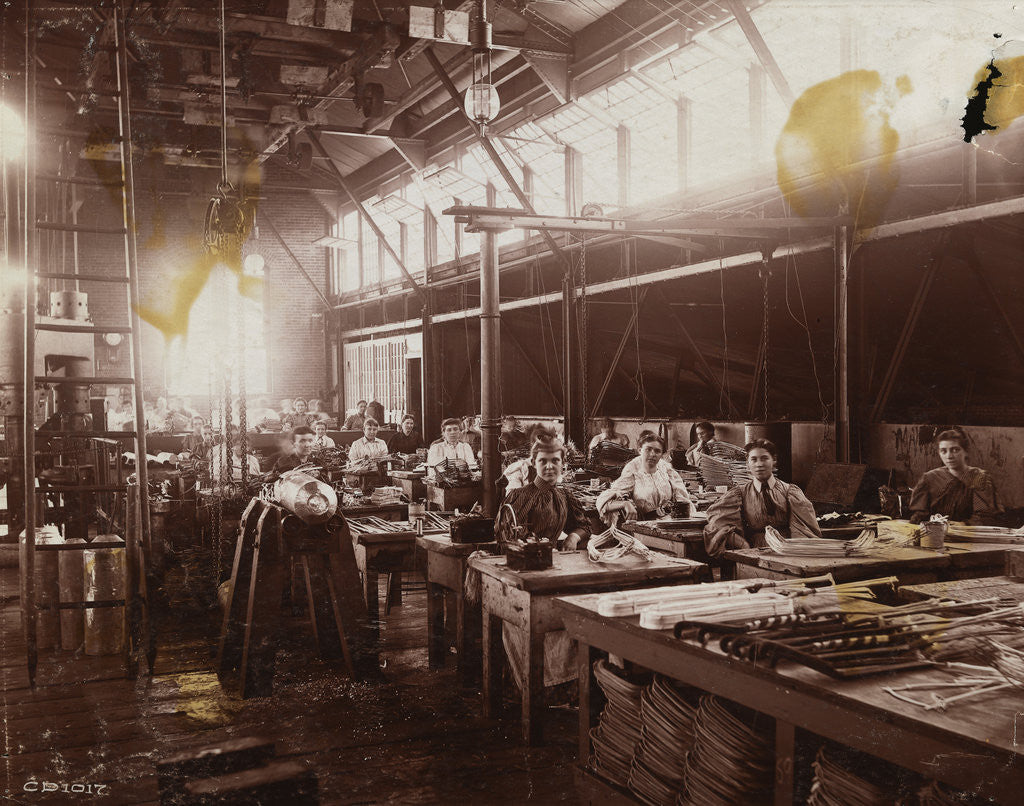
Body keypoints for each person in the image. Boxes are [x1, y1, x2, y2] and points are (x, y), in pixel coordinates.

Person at [703, 439, 821, 558]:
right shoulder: (739, 494)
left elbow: (803, 529)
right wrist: (744, 545)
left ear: (774, 460)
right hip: (755, 551)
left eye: (764, 458)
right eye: (753, 460)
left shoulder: (790, 492)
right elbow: (718, 522)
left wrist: (793, 552)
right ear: (747, 464)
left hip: (787, 550)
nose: (759, 464)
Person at [494, 433, 591, 551]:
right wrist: (543, 550)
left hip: (554, 561)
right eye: (543, 461)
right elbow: (510, 539)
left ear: (563, 463)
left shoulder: (564, 496)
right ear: (534, 463)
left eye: (555, 460)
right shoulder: (520, 496)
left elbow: (583, 526)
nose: (549, 466)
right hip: (526, 563)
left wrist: (573, 537)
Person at [909, 429, 1002, 525]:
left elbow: (984, 516)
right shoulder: (930, 478)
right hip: (933, 533)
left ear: (965, 451)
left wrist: (962, 525)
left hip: (968, 534)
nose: (949, 456)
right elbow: (919, 515)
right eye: (943, 451)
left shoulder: (978, 477)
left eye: (955, 450)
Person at [597, 433, 693, 523]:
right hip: (645, 525)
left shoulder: (666, 469)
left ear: (662, 454)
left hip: (671, 523)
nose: (652, 454)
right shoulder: (633, 470)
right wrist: (625, 504)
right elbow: (605, 499)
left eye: (657, 451)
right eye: (648, 449)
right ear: (640, 450)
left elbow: (683, 498)